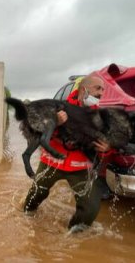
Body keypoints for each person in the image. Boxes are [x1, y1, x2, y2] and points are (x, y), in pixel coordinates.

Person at [21, 75, 111, 233]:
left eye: (103, 89)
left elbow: (107, 143)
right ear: (84, 90)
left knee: (90, 209)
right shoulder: (58, 107)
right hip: (52, 163)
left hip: (80, 168)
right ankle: (25, 217)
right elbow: (35, 129)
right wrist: (55, 122)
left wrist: (106, 148)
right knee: (35, 196)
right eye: (98, 88)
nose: (101, 93)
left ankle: (73, 237)